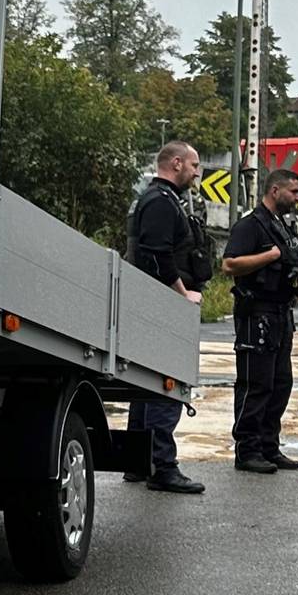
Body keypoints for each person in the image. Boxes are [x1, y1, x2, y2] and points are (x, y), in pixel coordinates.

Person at [122, 141, 211, 494]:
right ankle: (162, 465)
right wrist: (181, 294)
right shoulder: (160, 202)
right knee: (164, 384)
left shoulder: (160, 198)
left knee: (148, 382)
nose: (196, 171)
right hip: (162, 304)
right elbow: (156, 255)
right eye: (193, 165)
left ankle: (138, 461)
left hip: (152, 302)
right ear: (176, 163)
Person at [222, 169, 298, 475]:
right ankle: (247, 450)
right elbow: (229, 264)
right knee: (255, 384)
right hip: (255, 313)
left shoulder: (282, 226)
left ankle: (269, 446)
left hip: (280, 314)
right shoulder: (251, 225)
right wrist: (269, 256)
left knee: (280, 383)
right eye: (294, 192)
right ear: (275, 190)